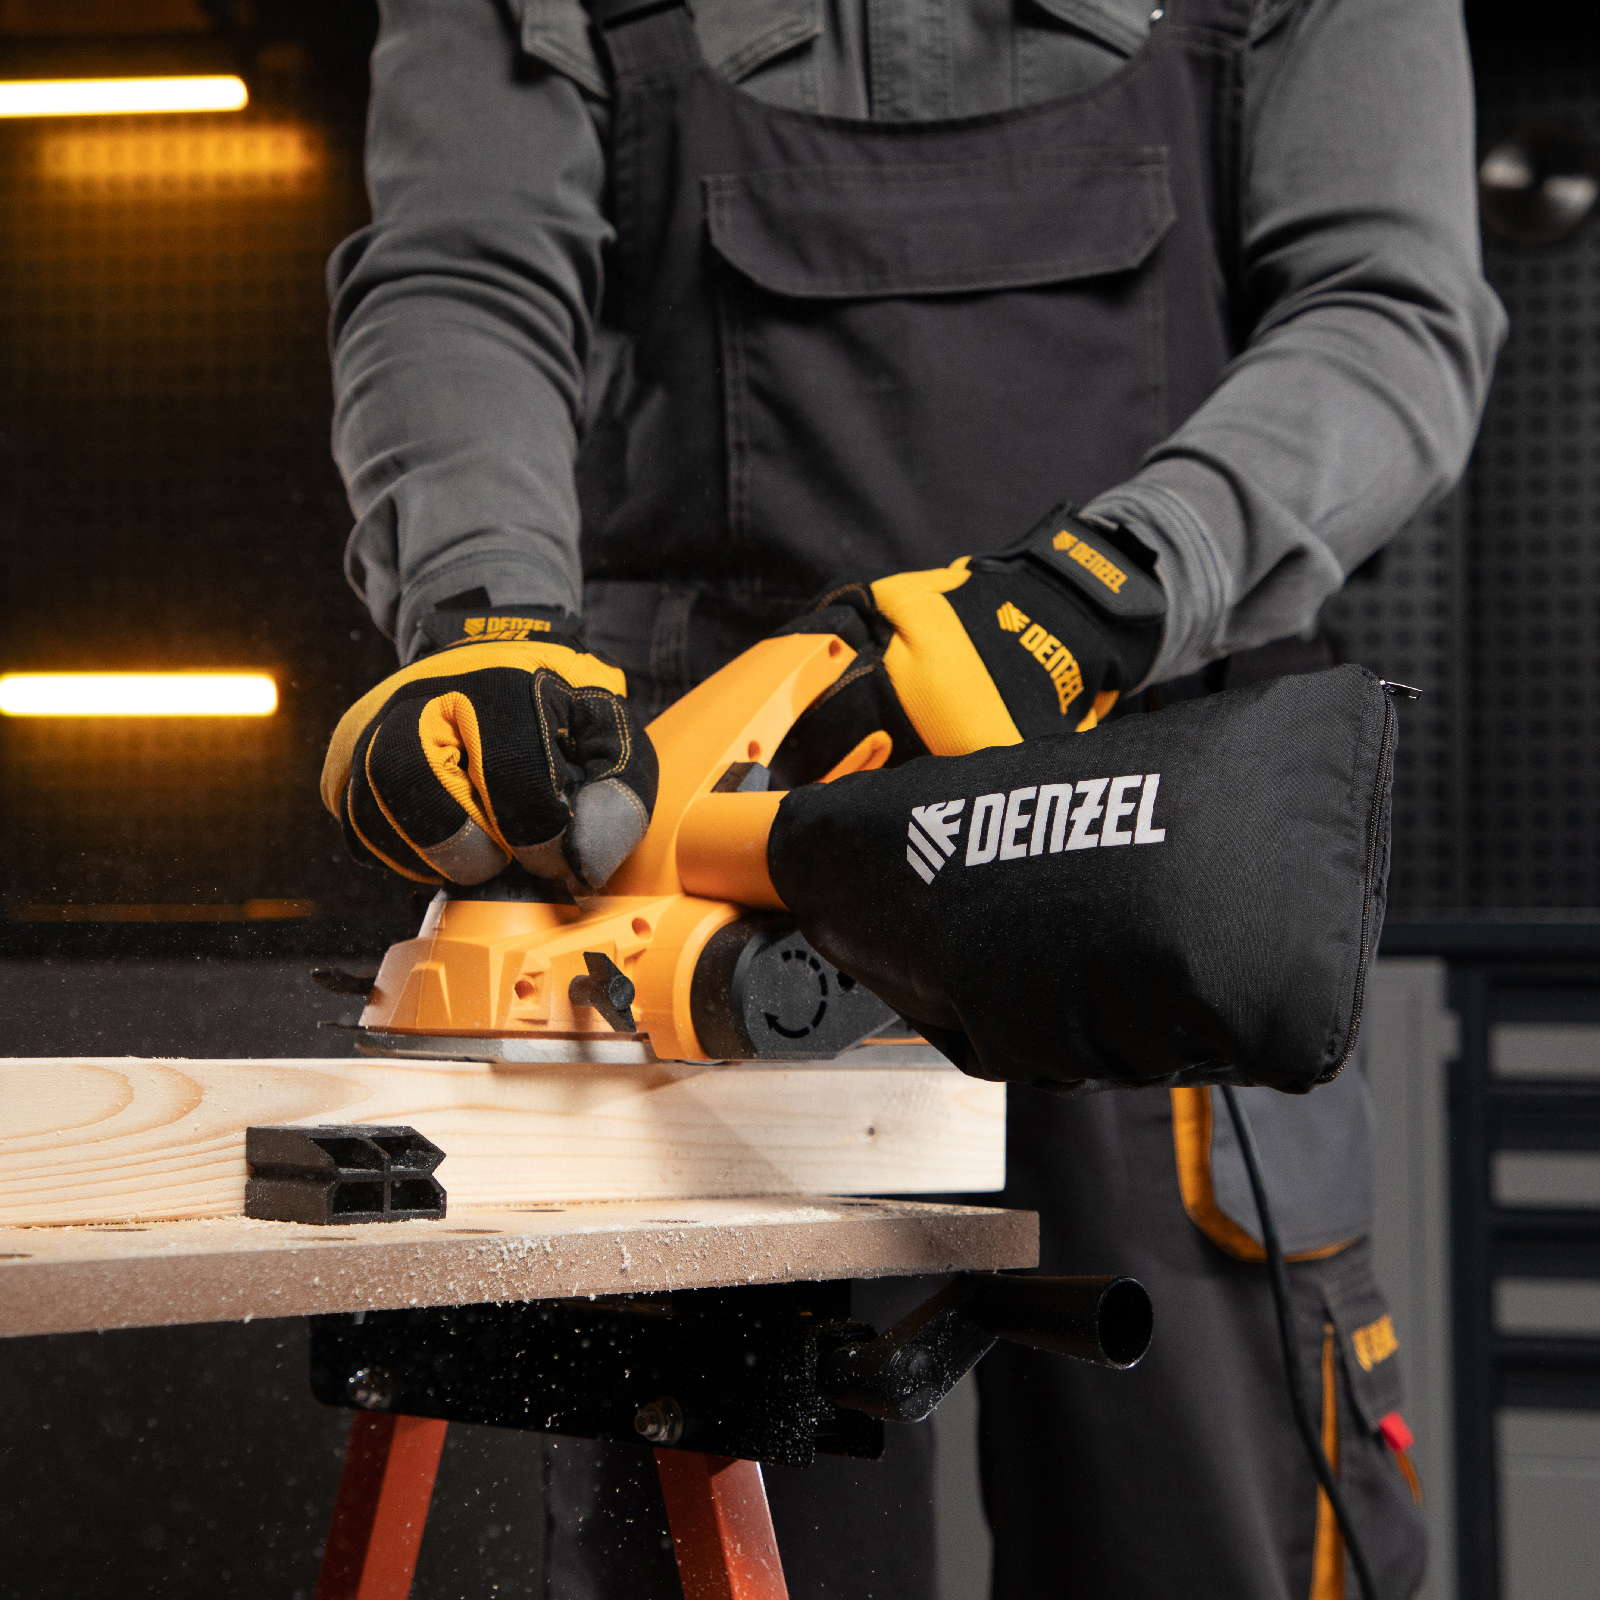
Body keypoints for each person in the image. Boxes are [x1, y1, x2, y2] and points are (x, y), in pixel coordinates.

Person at [320, 1, 1504, 1594]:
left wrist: (1108, 586)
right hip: (717, 873)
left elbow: (1392, 310)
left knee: (1201, 1540)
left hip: (1154, 843)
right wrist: (489, 625)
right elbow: (465, 274)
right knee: (719, 1524)